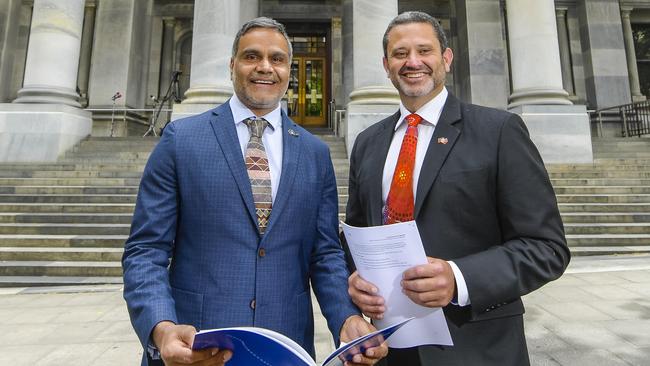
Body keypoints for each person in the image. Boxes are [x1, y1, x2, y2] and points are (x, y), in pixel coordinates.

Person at [123, 17, 387, 366]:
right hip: (197, 348)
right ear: (232, 64)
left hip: (285, 347)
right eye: (251, 56)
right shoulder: (181, 140)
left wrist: (346, 318)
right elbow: (145, 250)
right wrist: (162, 327)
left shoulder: (315, 153)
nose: (265, 67)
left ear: (289, 70)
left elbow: (324, 254)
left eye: (276, 59)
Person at [344, 11, 570, 366]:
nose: (413, 62)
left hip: (476, 349)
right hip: (390, 350)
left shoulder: (500, 132)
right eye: (400, 54)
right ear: (386, 66)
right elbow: (356, 238)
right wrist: (353, 282)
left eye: (424, 50)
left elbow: (547, 248)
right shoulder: (367, 143)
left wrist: (458, 278)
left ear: (446, 59)